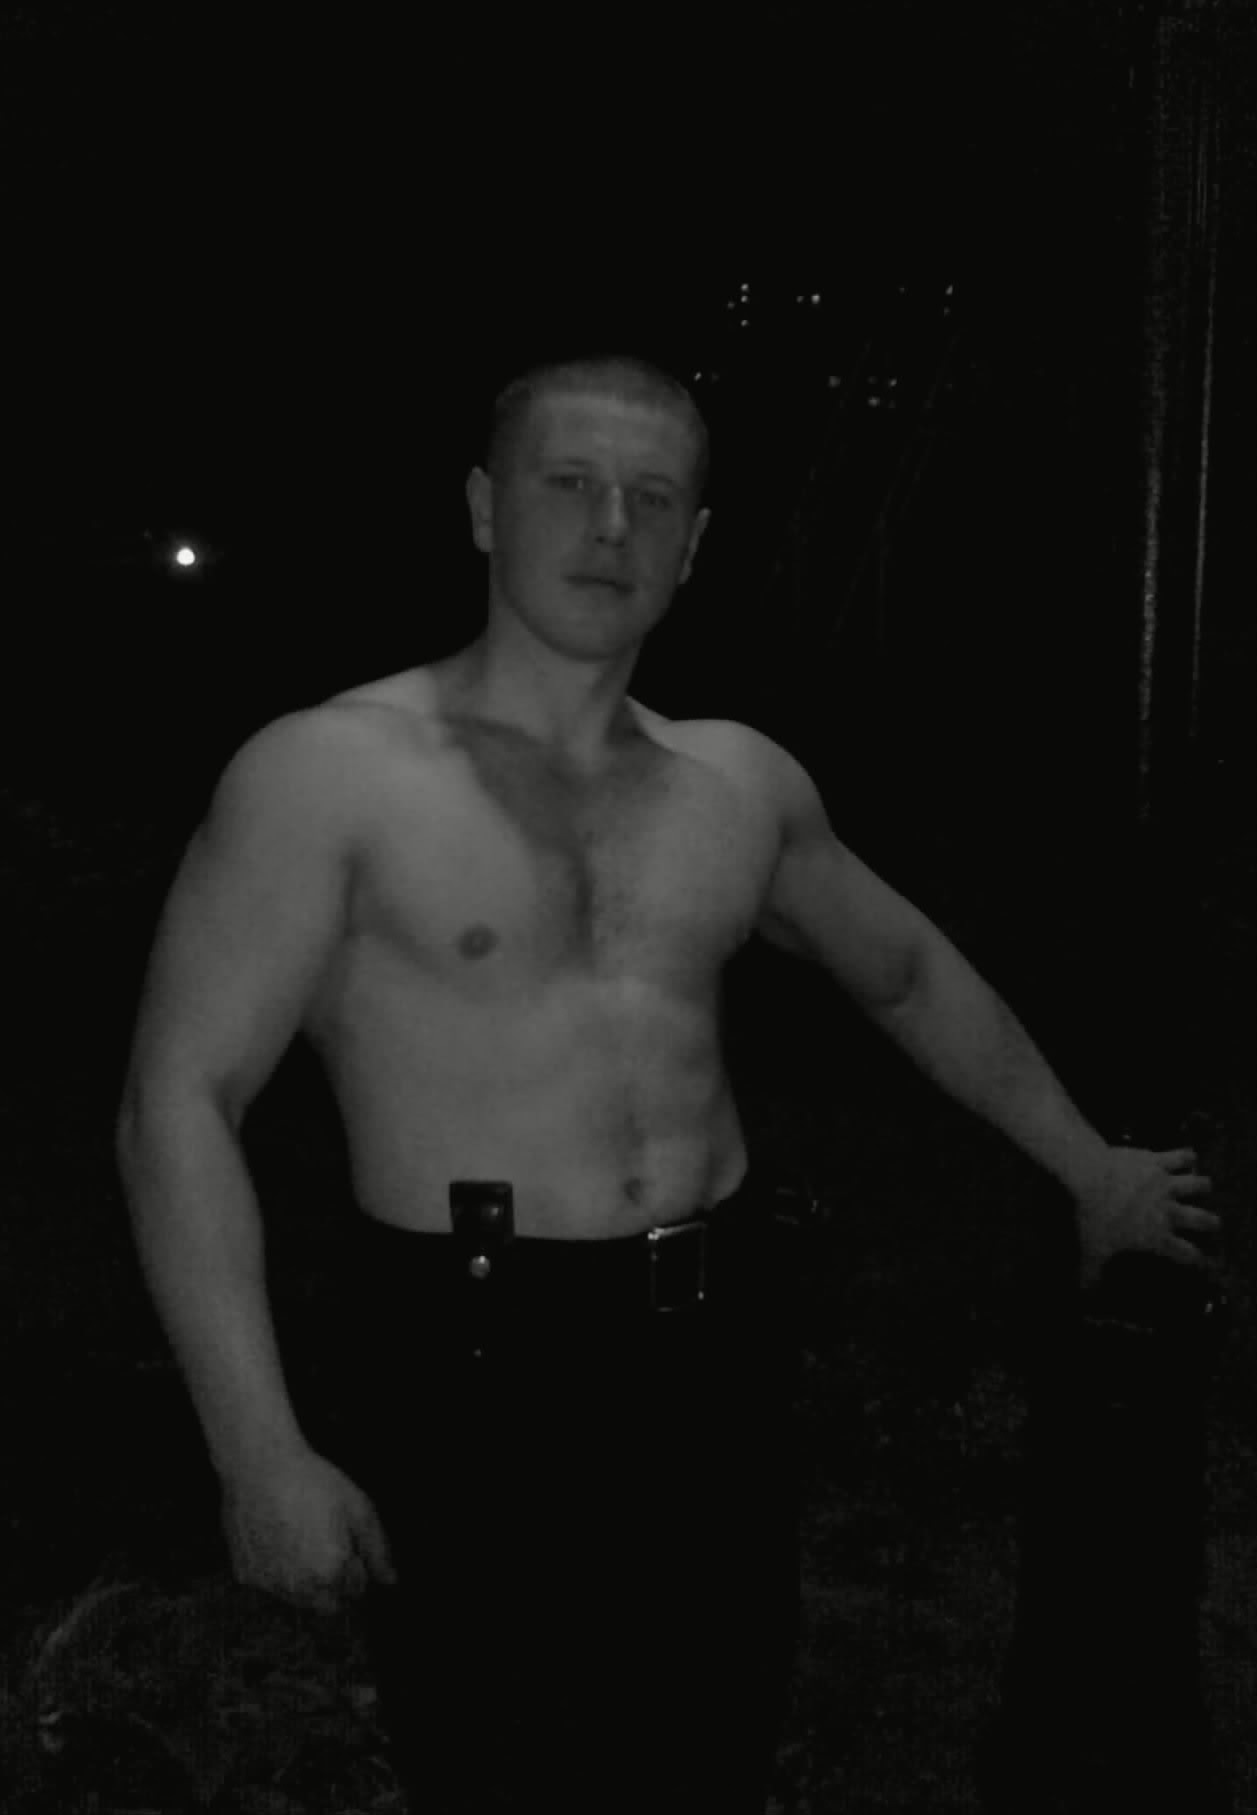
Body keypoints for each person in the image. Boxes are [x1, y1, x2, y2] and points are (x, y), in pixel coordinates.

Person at [115, 352, 1221, 1813]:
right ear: (483, 508)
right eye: (568, 483)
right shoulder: (326, 774)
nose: (610, 527)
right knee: (507, 1773)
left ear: (694, 545)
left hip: (711, 1344)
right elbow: (179, 1102)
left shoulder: (736, 783)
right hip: (475, 1353)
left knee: (706, 1750)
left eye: (653, 499)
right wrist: (256, 1449)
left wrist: (1088, 1165)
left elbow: (905, 975)